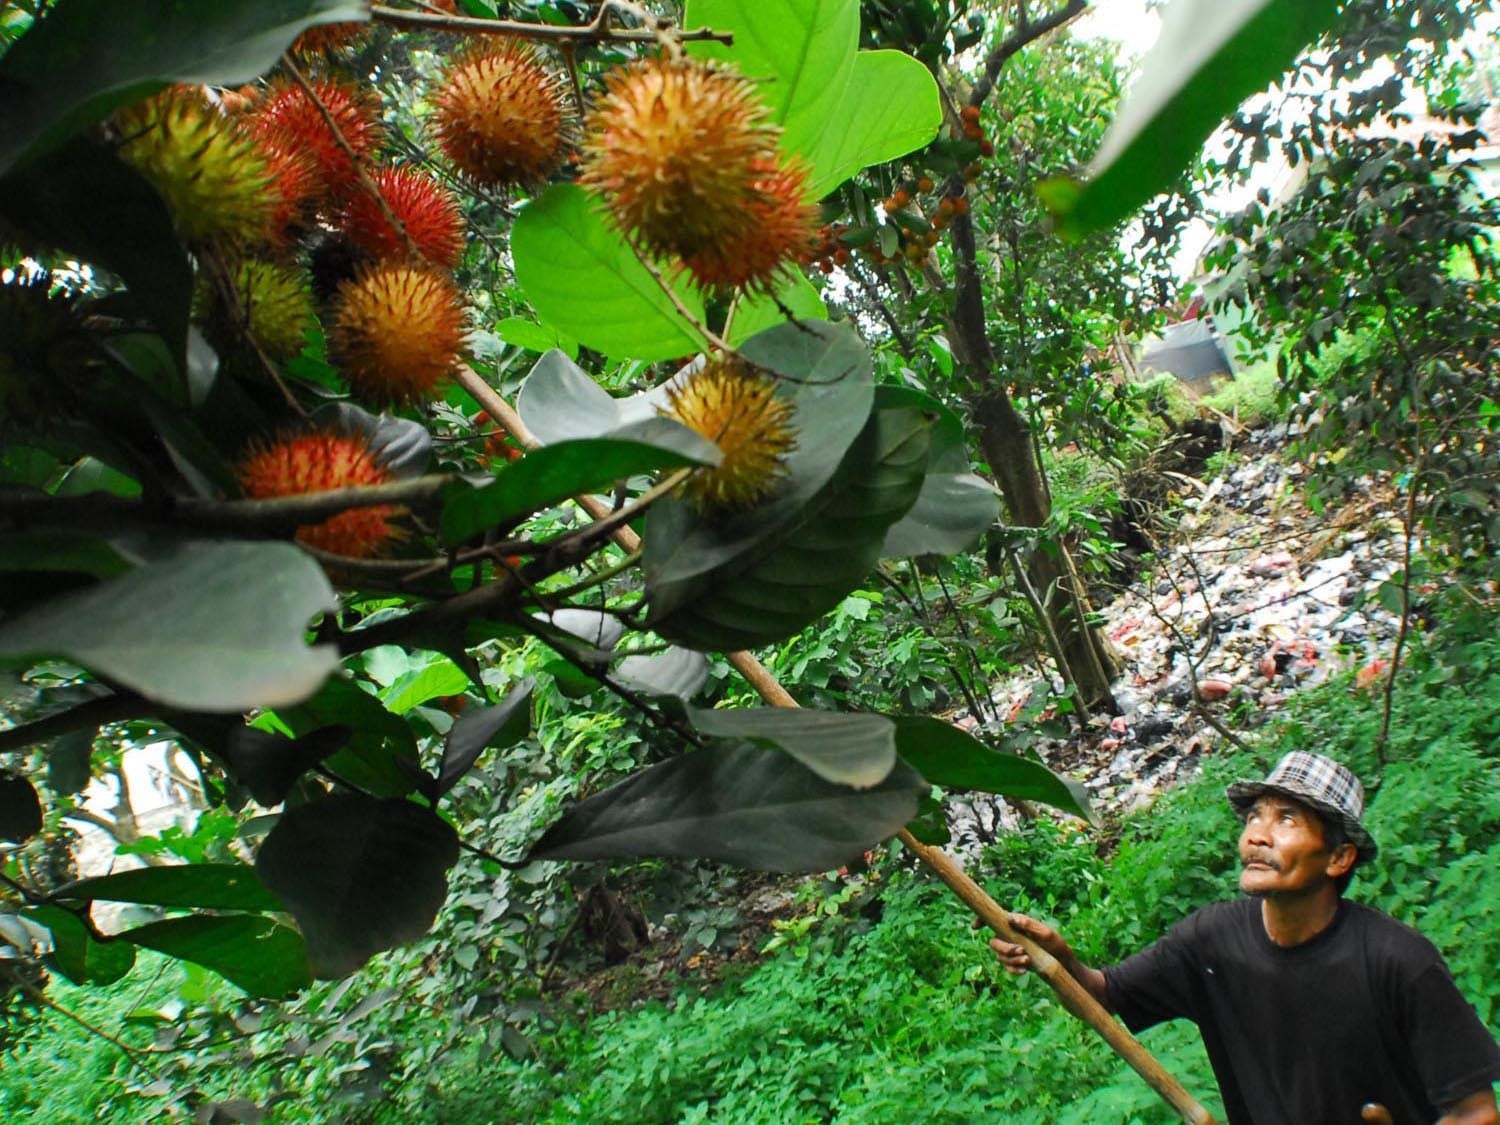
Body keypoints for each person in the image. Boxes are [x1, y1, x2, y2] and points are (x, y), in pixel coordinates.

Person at [988, 751, 1500, 1124]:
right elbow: (1104, 996)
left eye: (1287, 819)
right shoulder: (1211, 940)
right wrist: (1058, 959)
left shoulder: (1397, 963)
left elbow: (1476, 1111)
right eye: (1255, 816)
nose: (1257, 834)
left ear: (1339, 858)